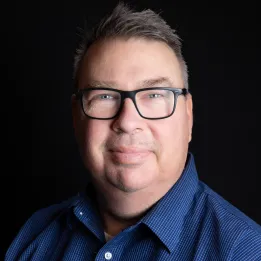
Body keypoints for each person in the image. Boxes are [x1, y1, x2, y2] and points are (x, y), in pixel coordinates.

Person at [6, 2, 261, 260]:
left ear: (188, 115)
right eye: (104, 96)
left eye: (154, 94)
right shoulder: (35, 237)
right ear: (76, 117)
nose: (128, 121)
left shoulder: (243, 252)